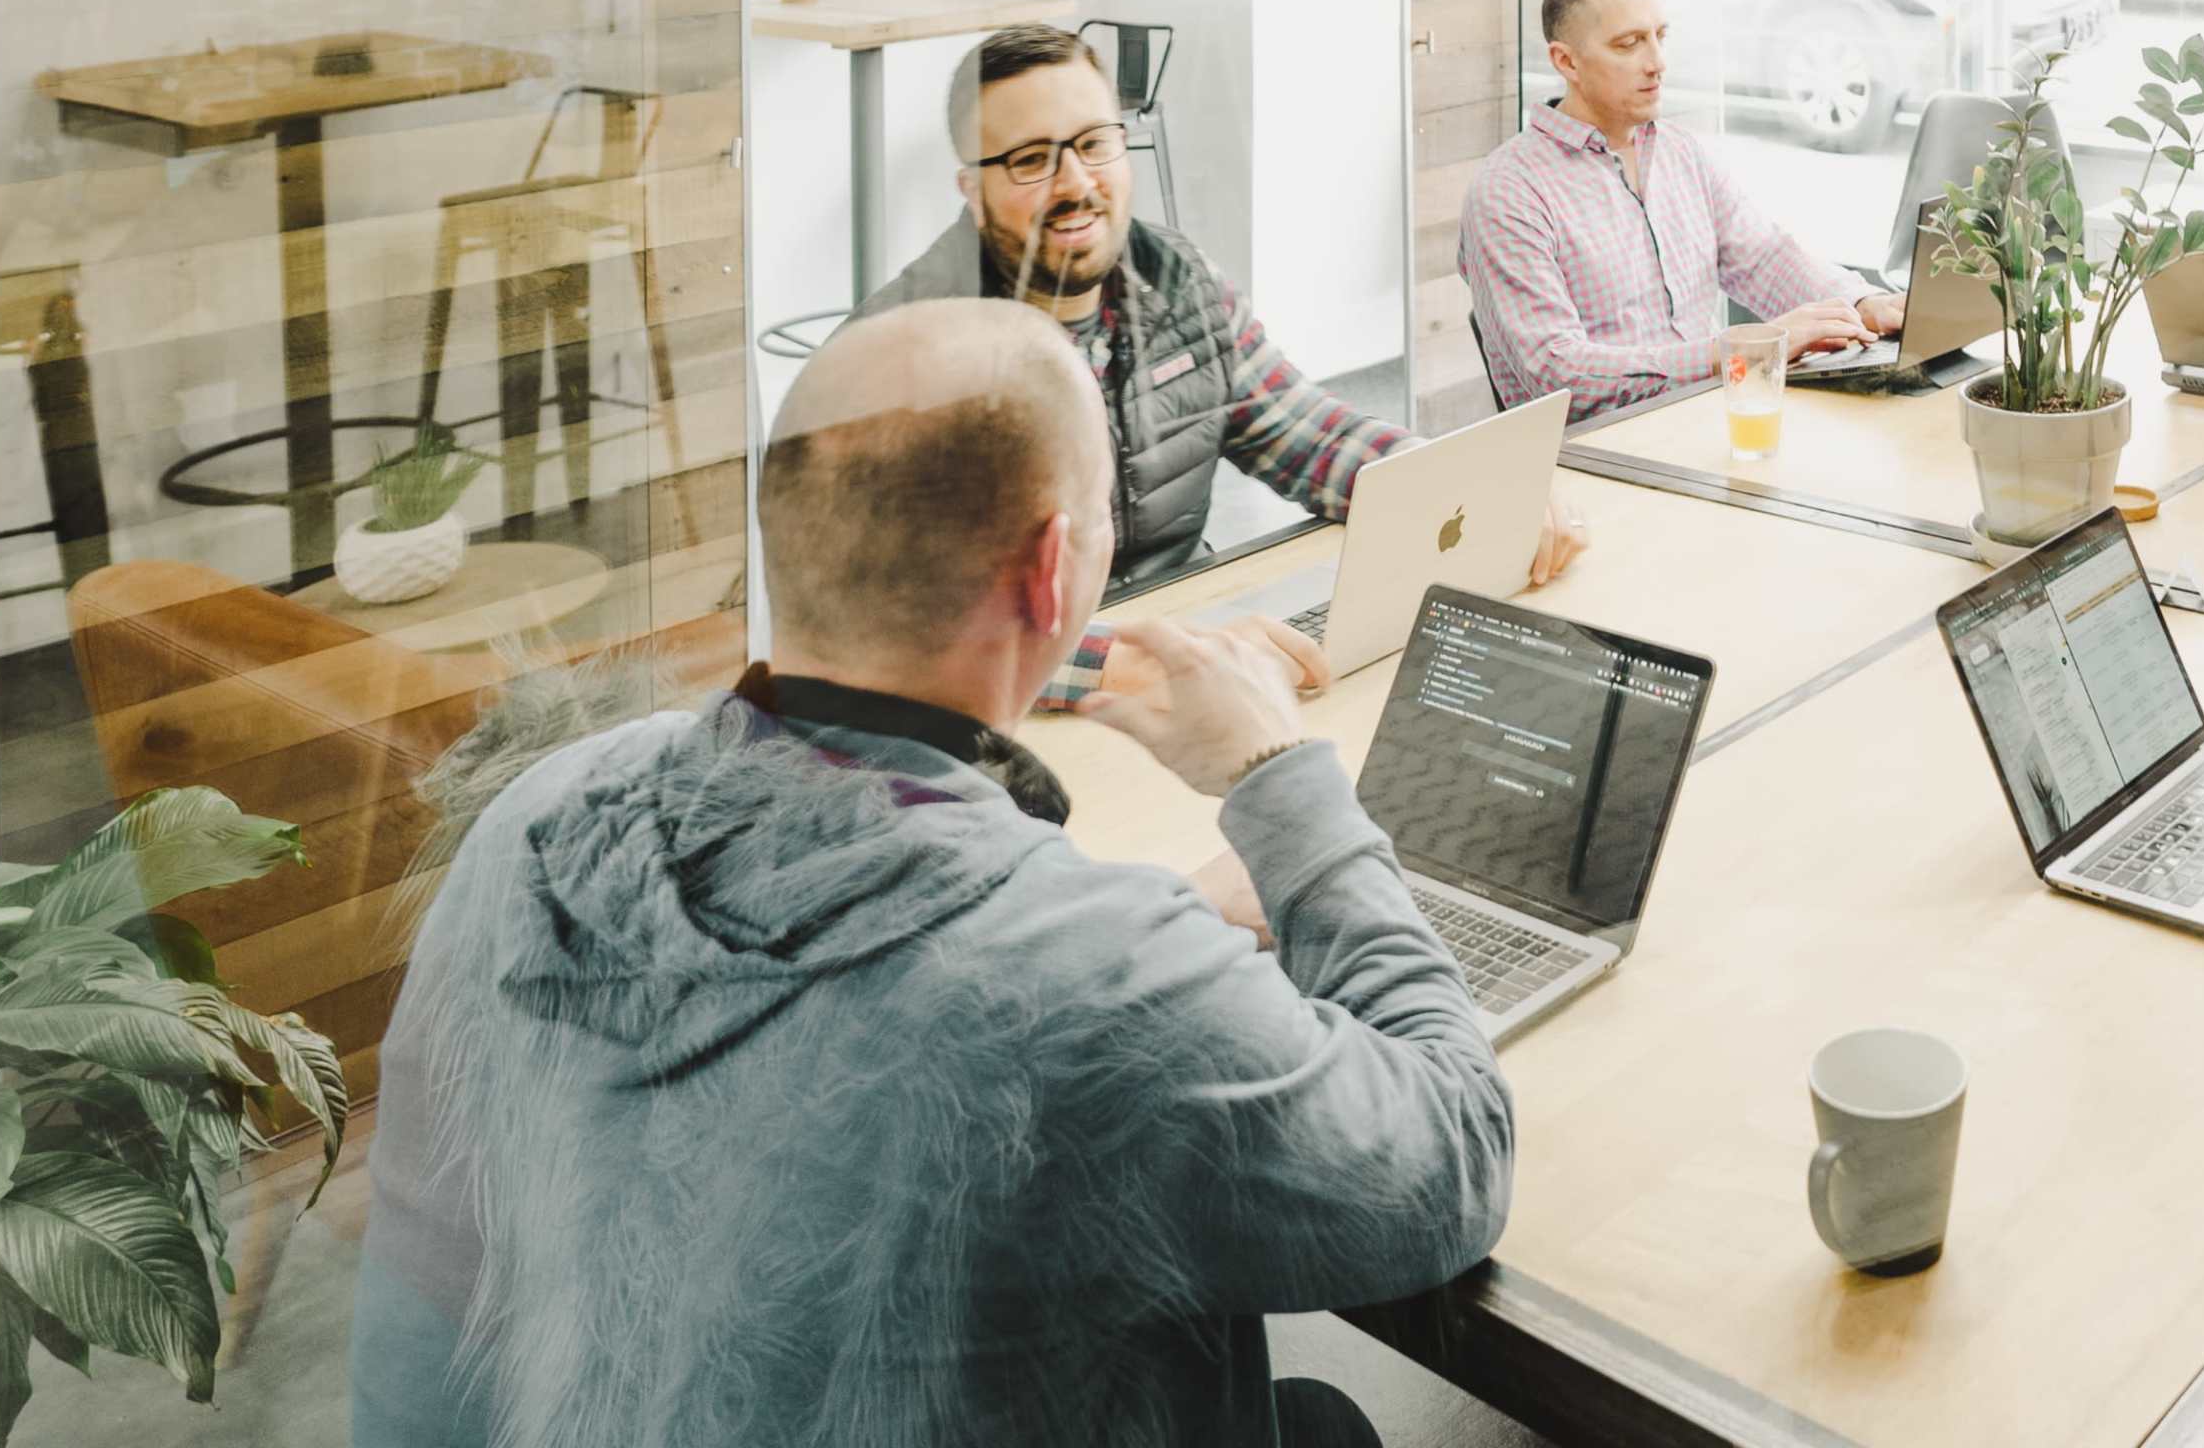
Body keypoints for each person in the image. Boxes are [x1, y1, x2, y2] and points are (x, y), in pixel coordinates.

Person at [349, 299, 1514, 1448]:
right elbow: (1450, 1166)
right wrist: (1281, 777)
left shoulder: (544, 815)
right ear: (1055, 569)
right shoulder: (1093, 977)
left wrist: (1143, 922)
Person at [855, 23, 1585, 699]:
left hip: (1174, 655)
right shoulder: (903, 357)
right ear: (972, 193)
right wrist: (1125, 663)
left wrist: (1470, 487)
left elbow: (1309, 435)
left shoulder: (1175, 280)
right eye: (1030, 161)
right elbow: (915, 621)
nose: (1076, 184)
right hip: (1000, 717)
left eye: (1095, 144)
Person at [1460, 0, 1905, 422]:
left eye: (1659, 37)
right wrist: (1741, 350)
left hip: (1708, 421)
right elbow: (1556, 374)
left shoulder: (1679, 153)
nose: (1656, 62)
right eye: (1628, 44)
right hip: (1598, 458)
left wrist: (1861, 305)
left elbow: (1764, 257)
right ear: (1566, 61)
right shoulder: (1510, 192)